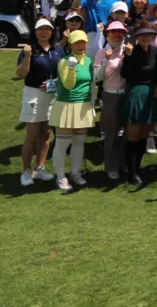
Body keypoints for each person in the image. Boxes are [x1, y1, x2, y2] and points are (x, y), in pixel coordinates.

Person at [17, 18, 65, 186]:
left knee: (46, 134)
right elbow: (21, 74)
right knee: (32, 134)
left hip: (52, 95)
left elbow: (64, 74)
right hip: (33, 94)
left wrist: (55, 84)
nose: (44, 32)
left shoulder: (58, 49)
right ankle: (26, 171)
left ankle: (40, 168)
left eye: (47, 29)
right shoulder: (29, 50)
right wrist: (28, 56)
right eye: (40, 29)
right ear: (35, 31)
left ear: (52, 31)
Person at [49, 29, 95, 191]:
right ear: (70, 45)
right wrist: (71, 68)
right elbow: (68, 85)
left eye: (83, 42)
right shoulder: (64, 62)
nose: (81, 45)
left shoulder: (89, 61)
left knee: (79, 142)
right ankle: (60, 177)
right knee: (62, 143)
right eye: (77, 42)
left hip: (83, 105)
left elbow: (93, 84)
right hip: (66, 105)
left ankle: (75, 173)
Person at [120, 26, 157, 186]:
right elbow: (125, 74)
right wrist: (128, 56)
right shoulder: (131, 51)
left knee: (144, 134)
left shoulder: (155, 51)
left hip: (151, 93)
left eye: (149, 35)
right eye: (142, 35)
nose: (146, 38)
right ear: (137, 37)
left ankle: (137, 168)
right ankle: (131, 172)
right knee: (133, 135)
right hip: (136, 91)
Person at [94, 20, 129, 180]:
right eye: (113, 32)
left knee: (127, 134)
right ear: (107, 34)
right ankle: (111, 167)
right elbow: (98, 78)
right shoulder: (102, 53)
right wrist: (105, 61)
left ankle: (124, 163)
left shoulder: (128, 50)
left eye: (120, 32)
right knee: (111, 134)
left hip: (127, 95)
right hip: (111, 95)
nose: (117, 35)